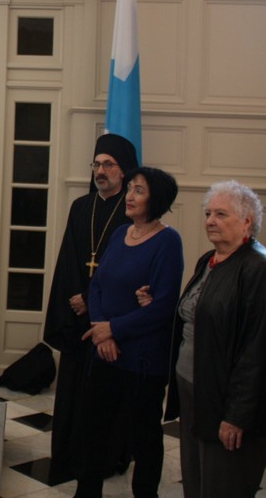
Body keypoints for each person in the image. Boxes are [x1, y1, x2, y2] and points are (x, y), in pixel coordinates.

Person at [164, 180, 266, 498]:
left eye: (221, 214)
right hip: (197, 389)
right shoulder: (209, 260)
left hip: (228, 403)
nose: (210, 220)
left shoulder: (263, 270)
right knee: (197, 482)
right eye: (208, 213)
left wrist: (237, 416)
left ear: (247, 221)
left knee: (223, 486)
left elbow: (260, 353)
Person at [75, 167, 184, 498]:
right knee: (93, 429)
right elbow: (97, 286)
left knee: (143, 437)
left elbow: (163, 307)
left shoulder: (168, 241)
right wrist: (103, 332)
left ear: (156, 200)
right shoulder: (121, 233)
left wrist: (113, 329)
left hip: (142, 360)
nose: (130, 196)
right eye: (131, 189)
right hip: (104, 351)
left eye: (139, 191)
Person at [42, 133, 138, 484]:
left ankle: (107, 457)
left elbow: (129, 268)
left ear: (124, 171)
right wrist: (75, 295)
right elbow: (68, 257)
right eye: (96, 164)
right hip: (77, 315)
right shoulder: (81, 206)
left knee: (106, 392)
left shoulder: (132, 213)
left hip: (111, 318)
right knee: (74, 389)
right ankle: (70, 453)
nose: (100, 171)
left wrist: (91, 298)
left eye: (108, 164)